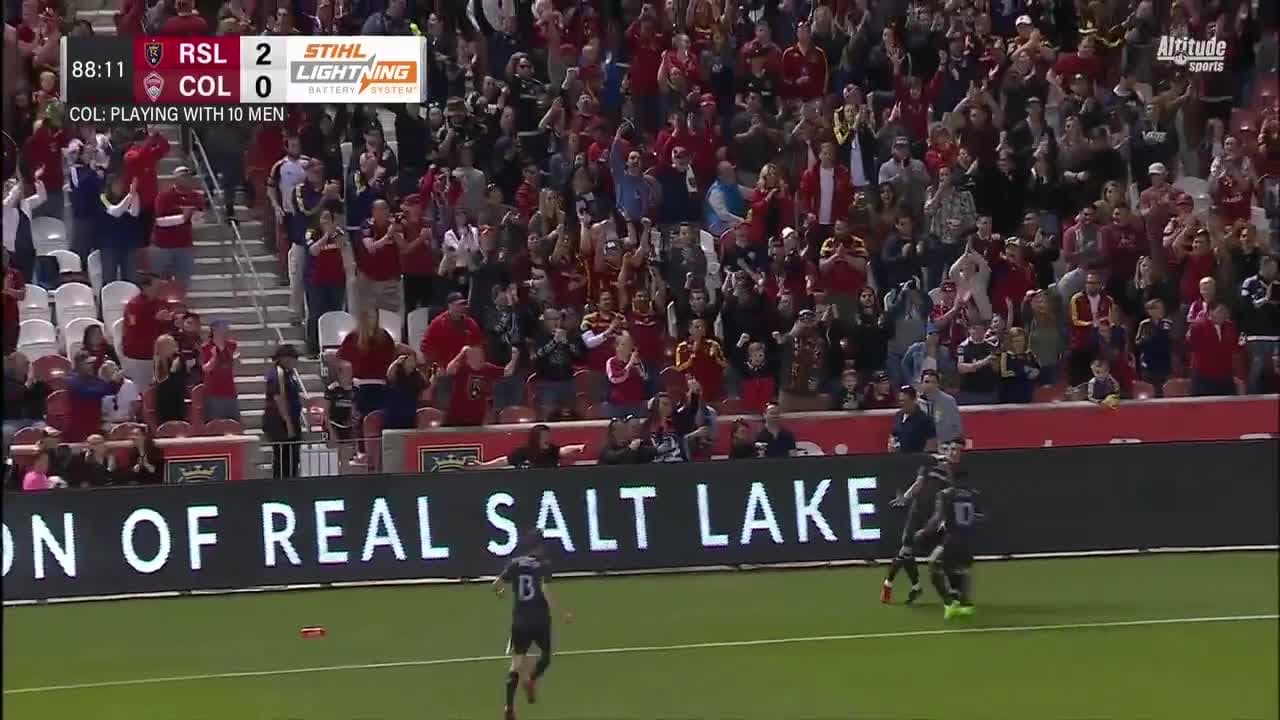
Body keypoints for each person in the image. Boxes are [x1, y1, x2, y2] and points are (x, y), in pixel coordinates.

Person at [494, 529, 573, 720]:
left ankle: (509, 706)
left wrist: (500, 593)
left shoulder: (515, 563)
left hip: (520, 621)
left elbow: (496, 585)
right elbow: (544, 588)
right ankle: (531, 679)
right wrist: (562, 612)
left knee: (516, 663)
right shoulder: (543, 565)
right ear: (539, 546)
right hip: (540, 620)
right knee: (545, 655)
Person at [882, 441, 963, 604]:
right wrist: (906, 497)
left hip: (935, 517)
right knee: (905, 550)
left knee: (944, 555)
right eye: (948, 449)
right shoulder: (930, 463)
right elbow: (918, 483)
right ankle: (893, 584)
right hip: (917, 512)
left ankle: (954, 591)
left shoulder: (956, 472)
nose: (952, 453)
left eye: (956, 450)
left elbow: (954, 495)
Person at [917, 445, 985, 619]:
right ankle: (966, 604)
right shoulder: (973, 494)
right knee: (962, 568)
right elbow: (980, 517)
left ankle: (949, 603)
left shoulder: (946, 494)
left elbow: (937, 518)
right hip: (968, 539)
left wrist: (924, 531)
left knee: (933, 564)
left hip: (951, 538)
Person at [443, 345, 518, 426]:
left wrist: (514, 356)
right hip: (456, 417)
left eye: (479, 354)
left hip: (477, 418)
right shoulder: (462, 368)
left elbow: (507, 372)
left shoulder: (487, 368)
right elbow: (449, 370)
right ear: (468, 357)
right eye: (473, 354)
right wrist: (461, 353)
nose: (477, 357)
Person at [263, 344, 305, 479]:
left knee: (293, 459)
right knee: (284, 461)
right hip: (280, 425)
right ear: (284, 359)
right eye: (293, 358)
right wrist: (288, 424)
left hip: (291, 421)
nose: (295, 361)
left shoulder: (289, 374)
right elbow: (279, 399)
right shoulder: (278, 375)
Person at [477, 425, 587, 469]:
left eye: (548, 436)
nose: (547, 439)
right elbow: (503, 461)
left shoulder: (552, 451)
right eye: (544, 436)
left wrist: (579, 447)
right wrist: (484, 466)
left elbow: (564, 450)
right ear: (536, 438)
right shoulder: (523, 452)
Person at [200, 320, 240, 422]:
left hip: (230, 391)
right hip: (213, 392)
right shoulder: (205, 347)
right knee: (216, 424)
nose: (225, 329)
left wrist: (235, 359)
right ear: (214, 329)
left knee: (234, 424)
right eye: (222, 326)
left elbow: (237, 364)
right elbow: (205, 368)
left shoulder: (232, 345)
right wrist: (214, 358)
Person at [888, 385, 937, 454]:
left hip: (916, 458)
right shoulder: (898, 416)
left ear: (914, 400)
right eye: (900, 401)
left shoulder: (925, 420)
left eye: (904, 401)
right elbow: (894, 435)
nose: (901, 404)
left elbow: (931, 445)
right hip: (898, 457)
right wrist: (891, 444)